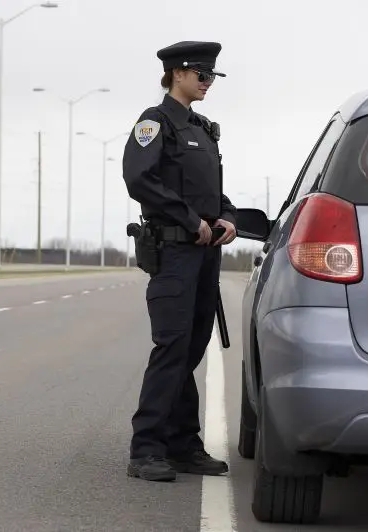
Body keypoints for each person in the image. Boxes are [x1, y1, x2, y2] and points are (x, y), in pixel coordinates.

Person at [122, 40, 238, 482]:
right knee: (171, 346)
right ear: (178, 74)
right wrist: (190, 220)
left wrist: (226, 217)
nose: (208, 83)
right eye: (202, 75)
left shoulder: (205, 130)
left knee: (191, 349)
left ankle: (183, 444)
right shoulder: (155, 124)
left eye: (212, 76)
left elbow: (214, 192)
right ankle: (146, 448)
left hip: (207, 254)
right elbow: (139, 178)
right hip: (174, 251)